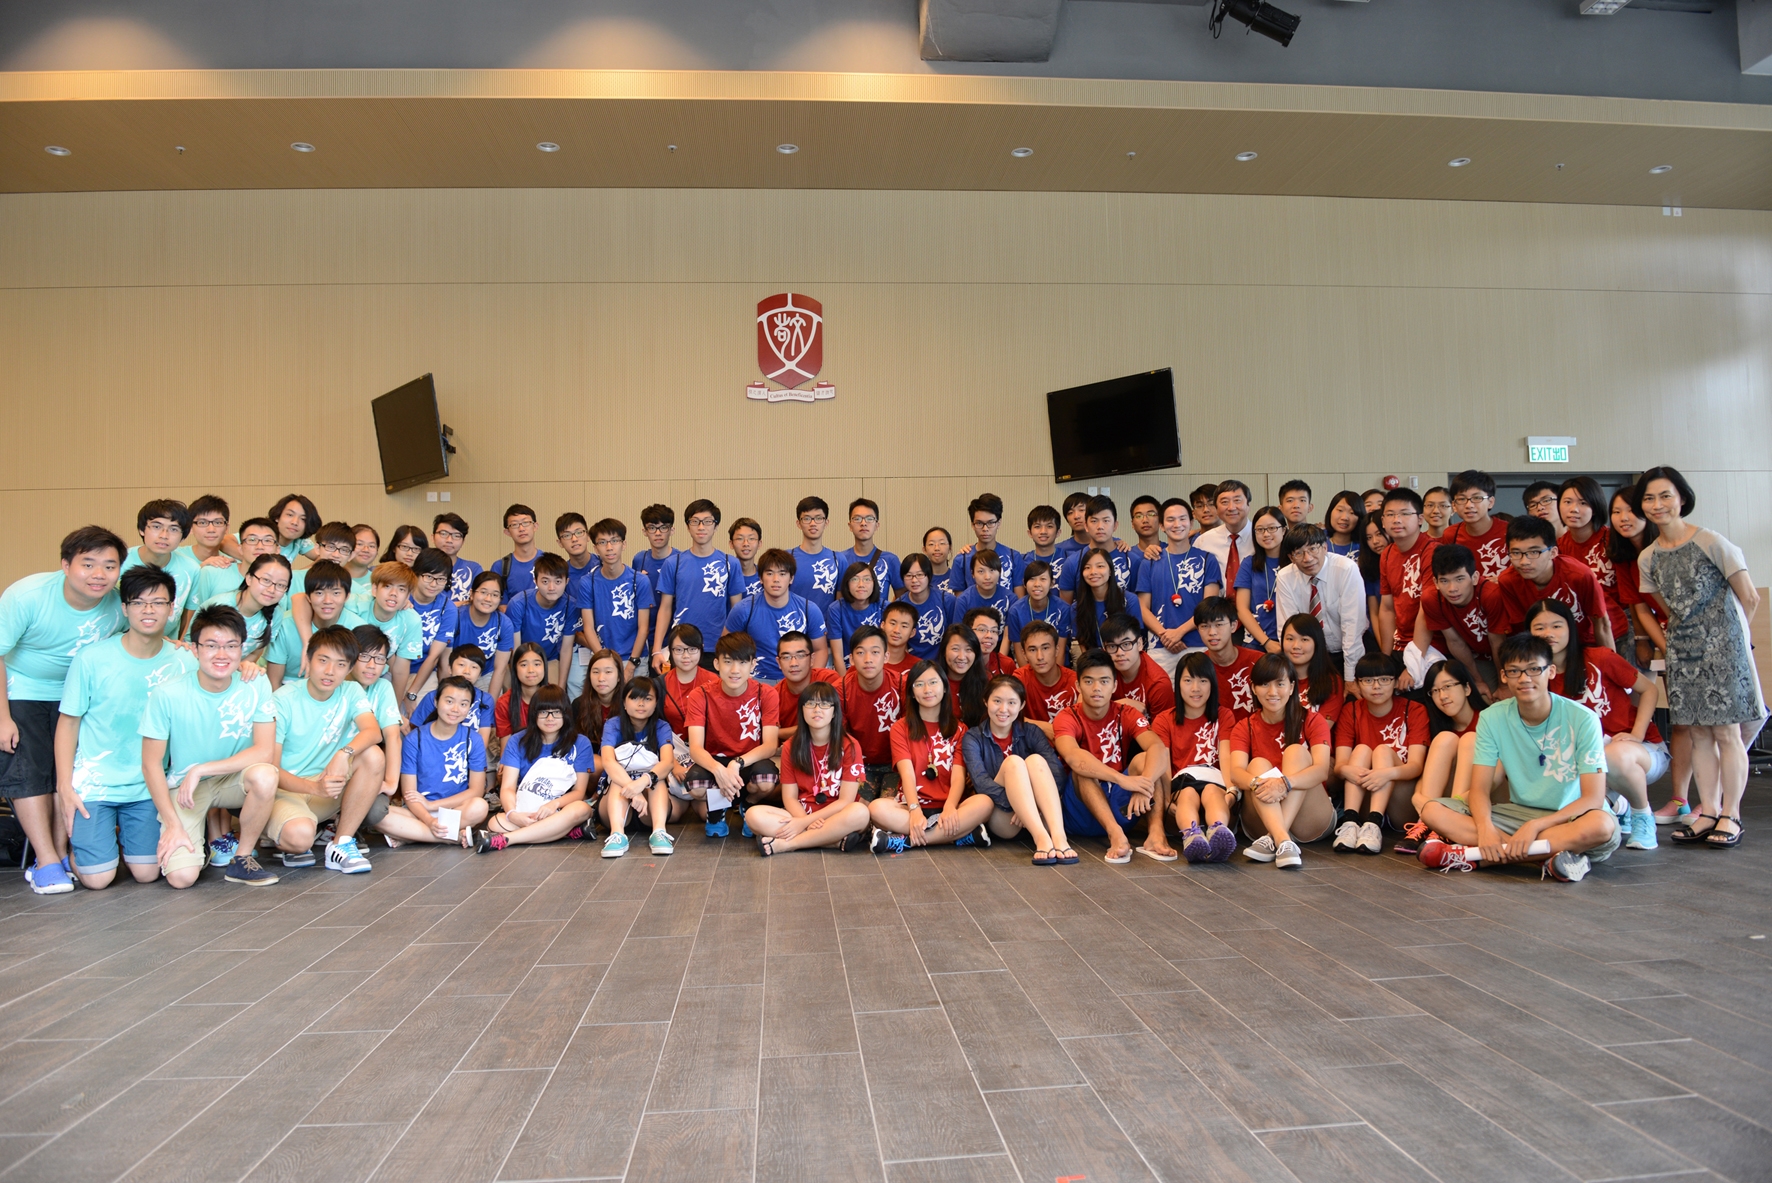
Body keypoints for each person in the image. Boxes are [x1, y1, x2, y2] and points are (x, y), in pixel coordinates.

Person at [1416, 633, 1621, 882]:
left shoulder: (1583, 718)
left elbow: (1593, 797)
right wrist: (1486, 828)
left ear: (1551, 671)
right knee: (1432, 810)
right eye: (1514, 671)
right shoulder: (1492, 717)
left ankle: (1475, 856)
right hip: (1519, 813)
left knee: (1601, 826)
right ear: (1503, 676)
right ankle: (1551, 857)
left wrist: (1534, 827)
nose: (1524, 679)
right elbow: (1479, 789)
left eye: (1534, 669)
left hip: (1571, 817)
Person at [1, 526, 128, 893]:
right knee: (29, 771)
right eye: (88, 564)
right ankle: (46, 861)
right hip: (21, 688)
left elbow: (138, 635)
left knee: (68, 774)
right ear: (65, 565)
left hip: (76, 696)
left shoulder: (117, 604)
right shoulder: (27, 596)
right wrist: (2, 716)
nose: (98, 574)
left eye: (109, 565)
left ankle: (59, 853)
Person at [55, 566, 196, 891]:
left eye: (159, 603)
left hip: (147, 786)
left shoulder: (185, 660)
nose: (149, 610)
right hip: (96, 784)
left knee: (147, 873)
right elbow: (68, 723)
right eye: (138, 602)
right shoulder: (92, 658)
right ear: (124, 608)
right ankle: (96, 847)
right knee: (97, 879)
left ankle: (115, 844)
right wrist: (66, 786)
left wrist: (246, 666)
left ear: (172, 609)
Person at [139, 603, 282, 887]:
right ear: (194, 649)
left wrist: (202, 769)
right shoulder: (167, 694)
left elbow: (264, 751)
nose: (221, 654)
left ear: (242, 648)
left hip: (231, 781)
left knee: (266, 775)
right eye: (211, 645)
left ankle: (241, 859)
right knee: (181, 878)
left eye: (231, 645)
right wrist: (173, 824)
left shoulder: (256, 684)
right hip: (186, 789)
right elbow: (150, 763)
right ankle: (199, 843)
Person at [1525, 598, 1663, 851]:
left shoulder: (1600, 657)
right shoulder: (1535, 677)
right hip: (1584, 761)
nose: (1548, 634)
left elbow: (1649, 690)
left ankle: (1642, 815)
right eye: (1539, 628)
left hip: (1637, 753)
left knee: (1614, 755)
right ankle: (1617, 806)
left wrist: (1636, 733)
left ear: (1570, 628)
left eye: (1556, 626)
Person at [267, 626, 385, 872]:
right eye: (323, 661)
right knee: (300, 838)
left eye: (341, 664)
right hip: (287, 790)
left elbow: (373, 732)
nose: (330, 671)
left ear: (350, 669)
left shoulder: (351, 690)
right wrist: (313, 787)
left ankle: (340, 844)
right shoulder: (283, 699)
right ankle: (283, 836)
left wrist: (344, 753)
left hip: (326, 789)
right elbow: (272, 769)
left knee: (373, 756)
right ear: (309, 659)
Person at [1052, 648, 1172, 862]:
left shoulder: (1126, 713)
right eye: (1088, 682)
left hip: (1120, 805)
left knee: (1146, 760)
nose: (1097, 688)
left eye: (1104, 681)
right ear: (1078, 686)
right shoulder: (1066, 716)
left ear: (1115, 685)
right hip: (1081, 813)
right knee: (1083, 769)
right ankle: (1115, 835)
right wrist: (1123, 780)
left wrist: (1144, 785)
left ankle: (1155, 834)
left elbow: (1159, 749)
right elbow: (1073, 758)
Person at [870, 660, 994, 852]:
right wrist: (914, 809)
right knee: (876, 809)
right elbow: (907, 774)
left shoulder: (960, 729)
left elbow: (958, 775)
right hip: (909, 805)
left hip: (949, 807)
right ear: (911, 692)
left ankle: (905, 841)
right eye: (919, 684)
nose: (927, 689)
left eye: (933, 682)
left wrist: (951, 807)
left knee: (985, 803)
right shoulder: (900, 728)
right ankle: (959, 836)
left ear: (945, 688)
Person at [1228, 654, 1335, 870]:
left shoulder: (1313, 720)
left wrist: (1284, 783)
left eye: (1280, 684)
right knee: (1257, 765)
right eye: (1265, 684)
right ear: (1254, 688)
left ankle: (1276, 837)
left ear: (1292, 686)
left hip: (1310, 818)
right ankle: (1283, 840)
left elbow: (1322, 771)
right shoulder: (1244, 726)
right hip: (1262, 818)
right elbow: (1236, 773)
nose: (1272, 692)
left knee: (1296, 752)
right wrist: (1260, 783)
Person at [962, 674, 1077, 864]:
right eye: (997, 701)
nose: (1003, 709)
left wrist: (1033, 807)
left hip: (1040, 815)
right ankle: (1041, 839)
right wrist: (1021, 805)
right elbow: (981, 783)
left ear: (1022, 705)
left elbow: (1057, 775)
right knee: (1014, 763)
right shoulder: (973, 738)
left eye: (1011, 702)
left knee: (1036, 761)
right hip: (1004, 819)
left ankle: (1059, 838)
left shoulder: (1031, 732)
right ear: (985, 701)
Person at [748, 681, 872, 855]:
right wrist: (803, 820)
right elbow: (789, 798)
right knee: (753, 815)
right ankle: (832, 841)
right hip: (803, 812)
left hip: (839, 815)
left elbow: (846, 800)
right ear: (802, 710)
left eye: (824, 704)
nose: (817, 709)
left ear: (835, 712)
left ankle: (789, 844)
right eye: (811, 704)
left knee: (860, 813)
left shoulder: (850, 745)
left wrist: (804, 823)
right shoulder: (791, 746)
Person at [684, 633, 781, 836]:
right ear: (717, 663)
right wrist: (719, 770)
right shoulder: (700, 695)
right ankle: (717, 811)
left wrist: (736, 763)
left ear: (753, 664)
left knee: (767, 779)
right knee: (695, 786)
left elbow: (771, 745)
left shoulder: (766, 693)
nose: (735, 670)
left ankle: (747, 805)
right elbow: (695, 748)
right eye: (728, 662)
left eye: (743, 662)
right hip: (714, 761)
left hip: (749, 760)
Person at [480, 684, 596, 852]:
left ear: (566, 714)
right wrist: (513, 814)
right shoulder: (517, 741)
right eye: (543, 712)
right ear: (534, 714)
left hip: (560, 807)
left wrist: (553, 804)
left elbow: (579, 792)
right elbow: (507, 787)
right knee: (495, 822)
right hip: (528, 807)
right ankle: (565, 831)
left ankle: (507, 840)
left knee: (582, 809)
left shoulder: (580, 742)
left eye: (556, 712)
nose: (550, 718)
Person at [1332, 653, 1427, 853]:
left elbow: (1417, 766)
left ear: (1394, 683)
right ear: (1357, 684)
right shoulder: (1351, 711)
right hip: (1364, 795)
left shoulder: (1414, 710)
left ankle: (1374, 825)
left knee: (1383, 751)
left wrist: (1385, 773)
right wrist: (1350, 771)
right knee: (1362, 750)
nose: (1376, 687)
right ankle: (1350, 823)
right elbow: (1340, 765)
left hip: (1401, 800)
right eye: (1368, 680)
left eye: (1384, 680)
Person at [382, 675, 489, 848]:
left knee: (480, 806)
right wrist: (429, 818)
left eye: (463, 704)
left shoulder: (473, 739)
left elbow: (476, 790)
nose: (455, 709)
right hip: (419, 811)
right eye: (449, 701)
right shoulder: (413, 739)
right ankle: (451, 836)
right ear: (436, 701)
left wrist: (433, 805)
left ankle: (413, 834)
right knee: (378, 815)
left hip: (456, 809)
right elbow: (409, 794)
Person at [1152, 651, 1237, 863]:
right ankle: (1192, 836)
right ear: (1178, 684)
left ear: (1212, 684)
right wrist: (1166, 801)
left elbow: (1226, 757)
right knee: (1189, 792)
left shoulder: (1224, 715)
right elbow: (1163, 768)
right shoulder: (1164, 720)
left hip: (1215, 783)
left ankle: (1218, 832)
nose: (1195, 688)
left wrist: (1232, 791)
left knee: (1211, 791)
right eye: (1188, 680)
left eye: (1202, 681)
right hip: (1181, 787)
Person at [1396, 658, 1486, 854]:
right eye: (1435, 691)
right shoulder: (1439, 728)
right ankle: (1427, 825)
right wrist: (1420, 798)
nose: (1442, 696)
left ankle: (1449, 822)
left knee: (1470, 739)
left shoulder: (1489, 720)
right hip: (1441, 802)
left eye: (1448, 687)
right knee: (1446, 738)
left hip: (1485, 797)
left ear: (1467, 688)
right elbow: (1427, 776)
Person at [650, 500, 744, 674]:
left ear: (716, 526)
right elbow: (665, 608)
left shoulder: (730, 563)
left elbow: (737, 610)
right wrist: (657, 650)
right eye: (695, 521)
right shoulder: (674, 563)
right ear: (688, 527)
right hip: (681, 647)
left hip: (718, 647)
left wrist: (734, 646)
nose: (701, 527)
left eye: (707, 521)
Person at [1493, 515, 1612, 651]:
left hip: (1590, 641)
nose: (1524, 561)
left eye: (1534, 552)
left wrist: (1610, 663)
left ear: (1553, 552)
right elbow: (1523, 627)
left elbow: (1602, 624)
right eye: (1516, 553)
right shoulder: (1508, 581)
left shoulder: (1579, 575)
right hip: (1548, 646)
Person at [1135, 498, 1222, 677]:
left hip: (1199, 643)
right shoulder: (1150, 562)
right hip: (1160, 646)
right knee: (1162, 702)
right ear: (1162, 526)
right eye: (1170, 520)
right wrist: (1166, 636)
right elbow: (1142, 607)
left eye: (1182, 519)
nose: (1177, 524)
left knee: (1199, 699)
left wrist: (1179, 633)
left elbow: (1209, 606)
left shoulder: (1207, 559)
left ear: (1191, 522)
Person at [599, 675, 682, 856]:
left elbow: (667, 763)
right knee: (616, 781)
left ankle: (659, 832)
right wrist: (633, 790)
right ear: (624, 703)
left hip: (649, 811)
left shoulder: (661, 726)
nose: (641, 704)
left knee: (657, 780)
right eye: (634, 697)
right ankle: (617, 835)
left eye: (648, 698)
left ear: (656, 703)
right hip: (616, 806)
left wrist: (643, 782)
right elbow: (607, 761)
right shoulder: (613, 724)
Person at [1273, 524, 1365, 682]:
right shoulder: (1285, 576)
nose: (1307, 558)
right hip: (1307, 656)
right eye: (1299, 553)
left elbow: (1353, 626)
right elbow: (1287, 628)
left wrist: (1350, 677)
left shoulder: (1346, 569)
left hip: (1345, 652)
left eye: (1312, 549)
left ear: (1324, 547)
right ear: (1291, 557)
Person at [344, 624, 407, 854]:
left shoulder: (382, 687)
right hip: (330, 766)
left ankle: (347, 827)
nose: (372, 666)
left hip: (364, 769)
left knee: (376, 811)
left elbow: (392, 736)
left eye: (380, 659)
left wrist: (391, 782)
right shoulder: (337, 682)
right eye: (365, 657)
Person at [722, 548, 829, 682]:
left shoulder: (809, 609)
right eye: (770, 573)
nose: (776, 579)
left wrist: (810, 682)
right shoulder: (743, 609)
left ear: (791, 578)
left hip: (798, 680)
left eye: (782, 573)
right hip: (756, 680)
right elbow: (726, 647)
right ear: (761, 578)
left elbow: (820, 650)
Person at [1414, 543, 1503, 703]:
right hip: (1475, 657)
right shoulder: (1432, 599)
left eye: (1459, 579)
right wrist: (1477, 680)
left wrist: (1504, 685)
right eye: (1444, 581)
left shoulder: (1490, 595)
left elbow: (1497, 642)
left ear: (1474, 577)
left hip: (1504, 655)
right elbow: (1455, 641)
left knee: (1502, 698)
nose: (1452, 588)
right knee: (1480, 697)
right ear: (1435, 582)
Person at [1558, 476, 1632, 648]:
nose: (1573, 509)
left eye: (1583, 503)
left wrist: (1641, 638)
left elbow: (1632, 594)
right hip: (1583, 633)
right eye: (1567, 501)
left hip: (1622, 629)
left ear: (1596, 506)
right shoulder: (1559, 547)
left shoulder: (1613, 539)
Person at [341, 561, 426, 704]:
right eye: (387, 586)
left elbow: (400, 669)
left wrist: (396, 707)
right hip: (344, 670)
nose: (393, 594)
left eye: (401, 589)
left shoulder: (411, 620)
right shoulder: (352, 604)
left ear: (408, 596)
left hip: (378, 673)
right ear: (374, 589)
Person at [580, 518, 655, 678]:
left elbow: (643, 628)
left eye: (614, 541)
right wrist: (604, 662)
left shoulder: (639, 581)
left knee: (635, 703)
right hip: (603, 658)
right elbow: (588, 627)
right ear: (595, 548)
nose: (609, 547)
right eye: (602, 542)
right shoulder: (588, 582)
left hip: (636, 659)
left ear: (624, 544)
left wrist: (631, 664)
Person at [840, 626, 905, 802]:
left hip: (897, 764)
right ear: (851, 659)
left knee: (887, 809)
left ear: (886, 657)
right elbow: (839, 737)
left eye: (875, 652)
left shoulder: (902, 685)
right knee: (858, 811)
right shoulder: (841, 690)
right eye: (860, 653)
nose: (868, 659)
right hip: (860, 764)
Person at [1609, 487, 1667, 674]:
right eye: (1616, 512)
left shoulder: (1663, 550)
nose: (1623, 518)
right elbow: (1637, 603)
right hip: (1660, 630)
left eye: (1631, 511)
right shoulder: (1624, 556)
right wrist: (1644, 641)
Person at [121, 499, 200, 636]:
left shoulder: (191, 568)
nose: (164, 535)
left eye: (173, 529)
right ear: (142, 529)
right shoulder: (119, 562)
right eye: (156, 527)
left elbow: (188, 618)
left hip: (167, 648)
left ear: (183, 535)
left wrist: (179, 645)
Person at [1377, 488, 1438, 662]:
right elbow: (1387, 608)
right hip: (1400, 643)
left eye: (1404, 514)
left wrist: (1414, 661)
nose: (1396, 520)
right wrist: (1386, 657)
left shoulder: (1432, 551)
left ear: (1420, 519)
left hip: (1433, 645)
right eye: (1390, 514)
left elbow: (1427, 608)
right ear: (1383, 521)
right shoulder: (1387, 554)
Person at [505, 552, 576, 689]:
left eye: (558, 581)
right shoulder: (518, 603)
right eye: (545, 581)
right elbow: (515, 649)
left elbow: (566, 649)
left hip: (550, 660)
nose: (551, 587)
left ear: (566, 582)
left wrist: (561, 687)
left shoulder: (570, 606)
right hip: (522, 661)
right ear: (535, 580)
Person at [410, 645, 497, 751]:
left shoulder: (485, 699)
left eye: (474, 667)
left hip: (468, 753)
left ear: (480, 674)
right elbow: (416, 728)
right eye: (461, 664)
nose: (467, 671)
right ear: (450, 668)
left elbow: (483, 738)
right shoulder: (433, 696)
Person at [403, 548, 458, 700]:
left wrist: (411, 693)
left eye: (441, 579)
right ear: (416, 573)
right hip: (392, 669)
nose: (434, 584)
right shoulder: (402, 597)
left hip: (424, 672)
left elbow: (434, 656)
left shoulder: (448, 609)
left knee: (423, 708)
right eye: (428, 576)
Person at [1099, 612, 1175, 721]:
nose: (1119, 653)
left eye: (1126, 644)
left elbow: (1162, 733)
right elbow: (1083, 710)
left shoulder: (1158, 684)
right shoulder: (1101, 668)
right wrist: (1118, 706)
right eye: (1112, 646)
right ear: (1104, 649)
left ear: (1139, 644)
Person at [1280, 613, 1347, 737]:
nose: (1296, 646)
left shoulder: (1331, 682)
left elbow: (1321, 731)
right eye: (1290, 639)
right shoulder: (1273, 678)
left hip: (1315, 750)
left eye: (1304, 639)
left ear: (1317, 643)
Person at [1195, 595, 1260, 720]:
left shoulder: (1258, 662)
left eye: (1219, 624)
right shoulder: (1195, 668)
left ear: (1233, 626)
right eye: (1204, 626)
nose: (1212, 632)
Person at [1233, 506, 1288, 654]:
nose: (1266, 534)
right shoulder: (1248, 564)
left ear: (1283, 530)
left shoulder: (1295, 562)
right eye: (1260, 529)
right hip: (1256, 643)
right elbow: (1242, 608)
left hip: (1290, 643)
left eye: (1272, 528)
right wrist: (1267, 642)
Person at [773, 631, 841, 746]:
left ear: (812, 659)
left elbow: (830, 724)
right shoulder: (774, 696)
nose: (793, 663)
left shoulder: (827, 680)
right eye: (786, 657)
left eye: (800, 656)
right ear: (779, 662)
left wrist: (778, 732)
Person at [454, 570, 514, 694]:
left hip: (486, 675)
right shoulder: (456, 617)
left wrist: (491, 705)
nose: (488, 599)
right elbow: (444, 661)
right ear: (471, 594)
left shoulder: (503, 623)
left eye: (495, 595)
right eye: (483, 592)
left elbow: (500, 669)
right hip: (455, 673)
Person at [1058, 496, 1132, 595]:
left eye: (1106, 520)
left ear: (1115, 525)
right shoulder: (1072, 562)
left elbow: (1140, 603)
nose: (1100, 527)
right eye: (1094, 521)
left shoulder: (1131, 558)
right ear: (1086, 526)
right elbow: (1065, 607)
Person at [954, 492, 1025, 595]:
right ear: (972, 525)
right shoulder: (962, 559)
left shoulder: (1014, 557)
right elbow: (960, 602)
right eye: (979, 523)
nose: (985, 529)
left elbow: (1019, 602)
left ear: (999, 523)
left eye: (991, 523)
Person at [1008, 560, 1075, 667]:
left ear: (1052, 583)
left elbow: (1061, 650)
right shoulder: (1015, 611)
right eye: (1032, 579)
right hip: (1028, 668)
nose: (1037, 584)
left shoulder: (1063, 609)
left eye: (1043, 579)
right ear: (1024, 583)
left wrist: (1054, 679)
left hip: (1057, 669)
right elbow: (1019, 651)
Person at [1194, 482, 1253, 601]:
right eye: (1224, 502)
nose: (1231, 507)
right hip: (1217, 615)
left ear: (1248, 504)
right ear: (1216, 508)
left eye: (1237, 500)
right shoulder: (1204, 541)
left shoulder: (1262, 537)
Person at [1068, 547, 1130, 661]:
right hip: (1094, 662)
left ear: (1110, 570)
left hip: (1123, 660)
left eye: (1100, 566)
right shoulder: (1077, 607)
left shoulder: (1128, 600)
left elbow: (1133, 641)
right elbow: (1083, 645)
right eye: (1087, 567)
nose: (1093, 572)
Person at [1446, 470, 1509, 581]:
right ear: (1454, 505)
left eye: (1477, 498)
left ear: (1491, 502)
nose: (1469, 505)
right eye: (1461, 499)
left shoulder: (1510, 531)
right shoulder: (1451, 535)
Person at [571, 649, 625, 772]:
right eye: (595, 672)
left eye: (608, 672)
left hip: (624, 762)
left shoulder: (629, 704)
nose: (601, 678)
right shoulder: (578, 705)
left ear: (618, 677)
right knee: (595, 764)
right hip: (591, 766)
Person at [495, 642, 552, 759]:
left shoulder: (556, 696)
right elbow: (506, 749)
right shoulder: (504, 702)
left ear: (544, 667)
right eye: (524, 665)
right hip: (519, 758)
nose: (531, 670)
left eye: (537, 664)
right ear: (515, 668)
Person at [836, 498, 902, 596]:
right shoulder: (841, 559)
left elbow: (902, 597)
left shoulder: (890, 560)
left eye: (869, 519)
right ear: (850, 525)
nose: (863, 523)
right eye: (857, 519)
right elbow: (839, 599)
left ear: (877, 525)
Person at [789, 496, 842, 614]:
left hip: (826, 630)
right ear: (798, 523)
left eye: (818, 518)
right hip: (794, 628)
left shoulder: (838, 559)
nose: (813, 523)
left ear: (826, 522)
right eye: (807, 518)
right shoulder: (787, 557)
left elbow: (840, 603)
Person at [827, 562, 884, 670]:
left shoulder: (884, 607)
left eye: (867, 579)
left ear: (874, 583)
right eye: (855, 579)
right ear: (847, 584)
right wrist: (844, 684)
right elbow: (837, 656)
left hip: (877, 669)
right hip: (848, 668)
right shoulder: (835, 609)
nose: (861, 584)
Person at [897, 553, 953, 662]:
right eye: (909, 575)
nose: (914, 580)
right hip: (912, 665)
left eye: (920, 574)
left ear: (929, 575)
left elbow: (955, 635)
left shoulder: (946, 600)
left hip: (942, 665)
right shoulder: (899, 605)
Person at [491, 504, 548, 604]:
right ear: (507, 532)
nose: (521, 528)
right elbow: (501, 606)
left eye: (526, 523)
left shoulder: (549, 562)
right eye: (514, 525)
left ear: (535, 526)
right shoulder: (500, 567)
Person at [953, 550, 1014, 640]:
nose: (987, 577)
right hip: (973, 648)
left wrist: (1000, 655)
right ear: (973, 574)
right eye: (981, 571)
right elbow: (958, 634)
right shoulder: (964, 600)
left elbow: (1008, 635)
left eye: (992, 570)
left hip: (1000, 647)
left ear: (1000, 572)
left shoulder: (1010, 599)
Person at [939, 623, 989, 728]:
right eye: (955, 649)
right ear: (944, 651)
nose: (962, 657)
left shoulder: (987, 683)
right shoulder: (933, 683)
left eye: (969, 649)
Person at [431, 512, 480, 603]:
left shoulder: (473, 569)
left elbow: (479, 602)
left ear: (463, 541)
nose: (449, 540)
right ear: (433, 537)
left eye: (456, 536)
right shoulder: (423, 567)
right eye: (444, 533)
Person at [634, 503, 680, 590]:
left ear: (672, 530)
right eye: (652, 528)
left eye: (663, 527)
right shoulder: (639, 559)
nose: (658, 533)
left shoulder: (681, 560)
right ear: (644, 531)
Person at [1358, 514, 1387, 646]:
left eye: (1379, 534)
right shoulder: (1369, 568)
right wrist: (1383, 646)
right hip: (1378, 636)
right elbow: (1373, 612)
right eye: (1369, 538)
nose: (1375, 541)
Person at [1023, 504, 1067, 588]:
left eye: (1049, 526)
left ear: (1058, 532)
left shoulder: (1069, 559)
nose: (1043, 531)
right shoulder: (1022, 562)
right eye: (1037, 526)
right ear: (1030, 533)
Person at [881, 600, 921, 679]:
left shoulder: (919, 668)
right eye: (892, 623)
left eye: (904, 626)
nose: (896, 630)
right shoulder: (868, 663)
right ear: (882, 625)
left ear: (912, 633)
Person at [1322, 490, 1365, 559]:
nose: (1344, 517)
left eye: (1352, 512)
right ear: (1330, 512)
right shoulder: (1317, 542)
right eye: (1340, 510)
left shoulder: (1365, 546)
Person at [729, 517, 764, 598]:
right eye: (740, 538)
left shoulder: (766, 577)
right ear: (731, 544)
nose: (746, 544)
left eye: (751, 539)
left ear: (759, 544)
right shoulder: (725, 577)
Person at [924, 527, 962, 596]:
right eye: (931, 544)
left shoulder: (957, 577)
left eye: (942, 543)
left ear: (950, 548)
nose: (937, 548)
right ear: (924, 549)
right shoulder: (920, 579)